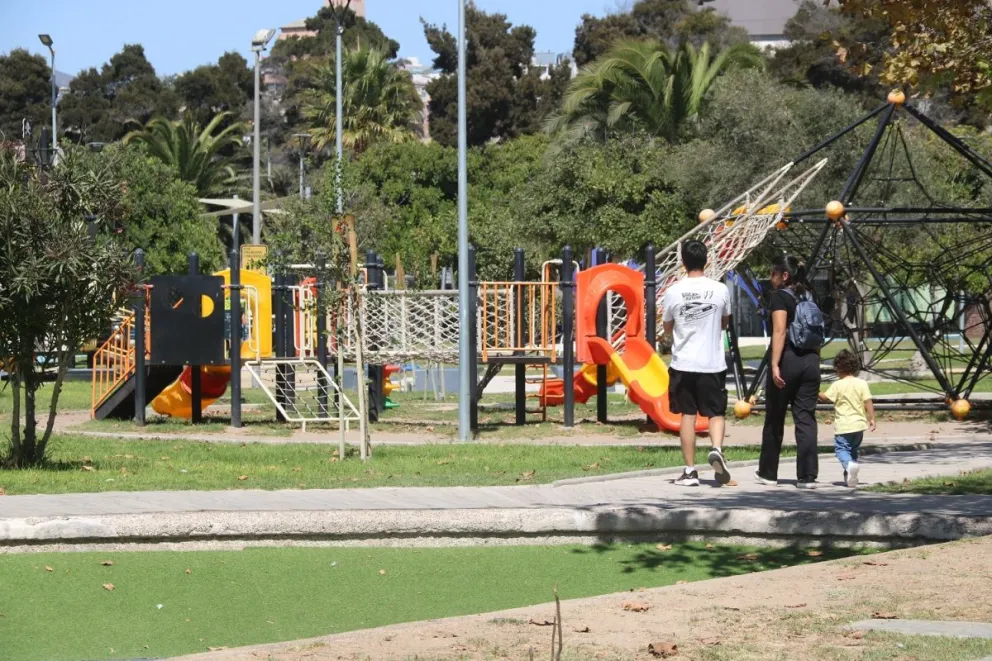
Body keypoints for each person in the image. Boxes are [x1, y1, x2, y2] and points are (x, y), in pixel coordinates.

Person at [662, 239, 733, 487]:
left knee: (688, 415)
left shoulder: (673, 291)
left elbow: (668, 328)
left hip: (683, 364)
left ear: (683, 263)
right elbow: (725, 323)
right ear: (707, 261)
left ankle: (690, 471)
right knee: (716, 413)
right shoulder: (720, 290)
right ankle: (716, 449)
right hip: (712, 363)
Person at [756, 255, 822, 489]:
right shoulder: (809, 295)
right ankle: (807, 477)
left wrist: (774, 365)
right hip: (811, 361)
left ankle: (768, 473)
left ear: (784, 275)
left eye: (773, 274)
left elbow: (780, 331)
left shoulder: (779, 297)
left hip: (788, 361)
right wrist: (815, 362)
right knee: (805, 418)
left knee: (774, 416)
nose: (771, 278)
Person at [818, 349, 876, 487]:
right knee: (853, 450)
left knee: (841, 450)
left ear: (838, 368)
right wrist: (872, 418)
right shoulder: (862, 383)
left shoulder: (838, 385)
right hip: (859, 425)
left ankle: (849, 467)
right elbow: (868, 401)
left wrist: (815, 390)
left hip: (844, 426)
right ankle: (851, 477)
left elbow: (825, 398)